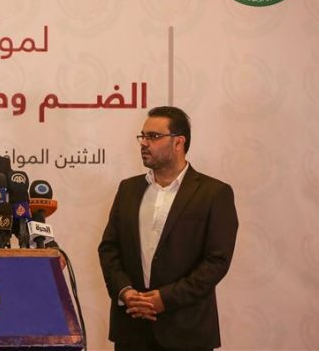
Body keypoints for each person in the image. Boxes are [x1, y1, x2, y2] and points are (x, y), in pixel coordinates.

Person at [98, 106, 238, 351]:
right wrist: (125, 292)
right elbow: (109, 248)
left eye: (153, 136)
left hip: (187, 331)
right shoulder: (128, 189)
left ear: (178, 142)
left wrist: (166, 299)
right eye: (143, 136)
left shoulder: (214, 193)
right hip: (132, 328)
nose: (144, 143)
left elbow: (216, 261)